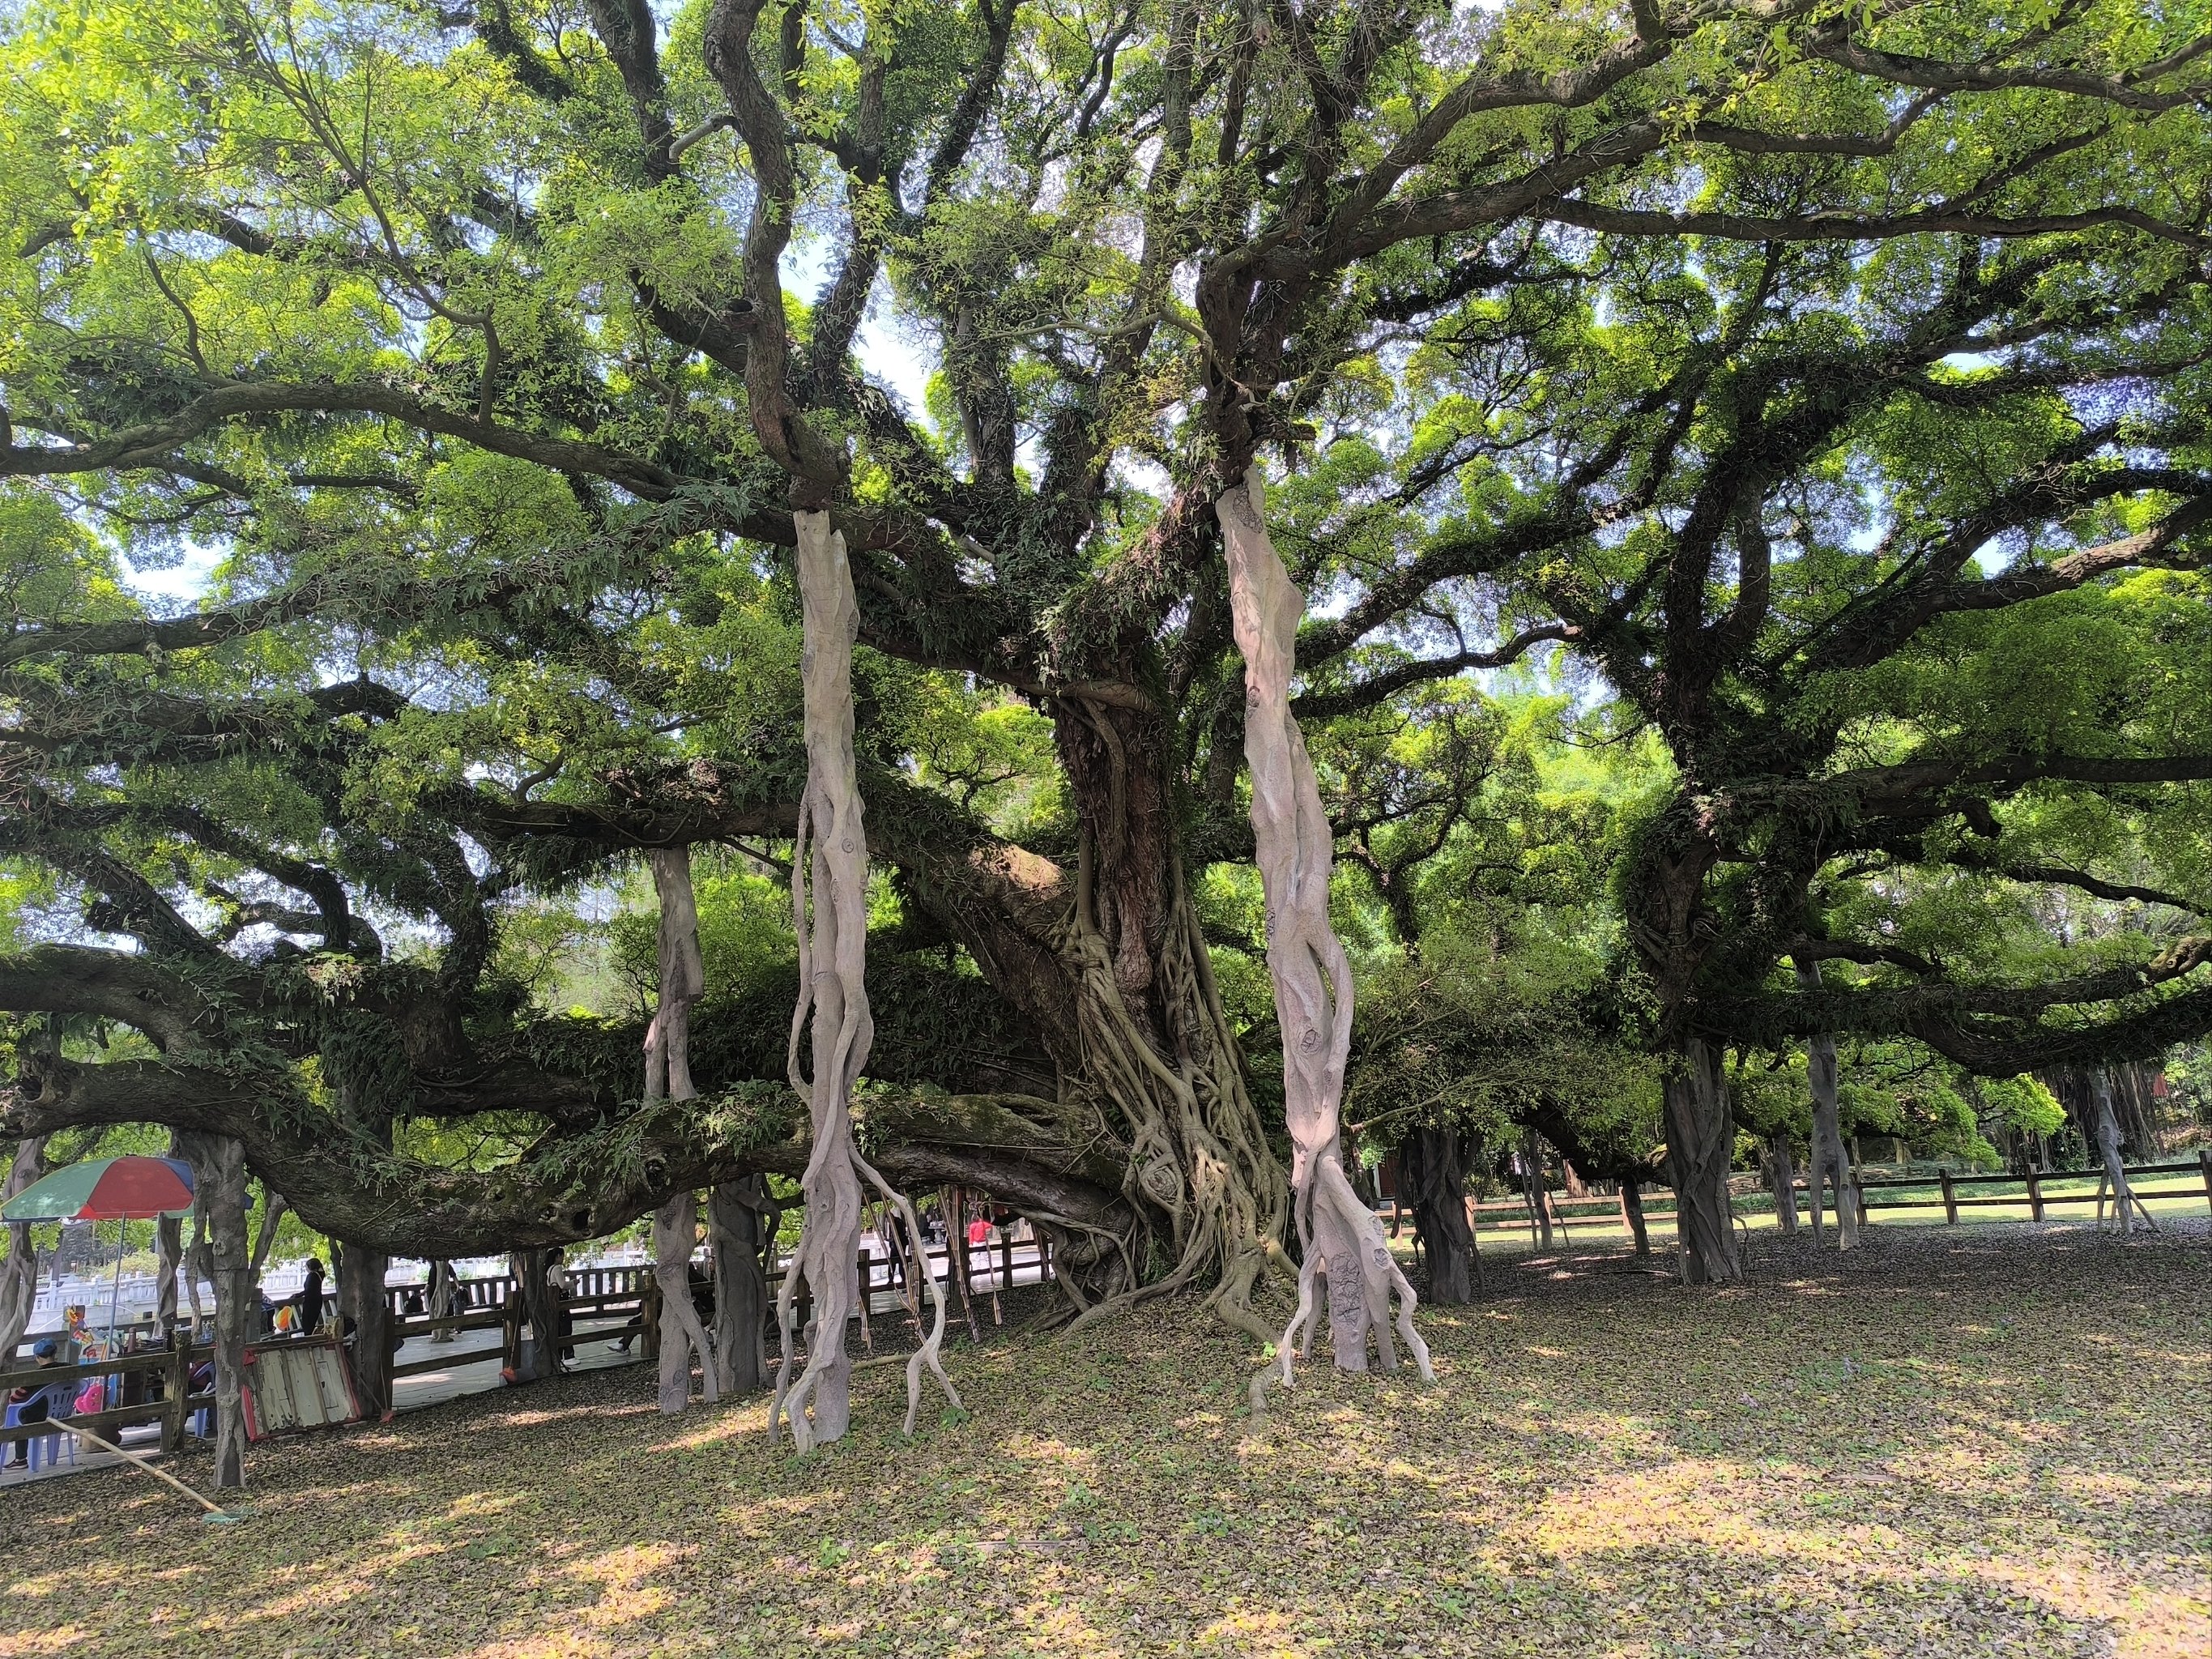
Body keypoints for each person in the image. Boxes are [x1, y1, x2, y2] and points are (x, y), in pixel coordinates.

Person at [2, 1340, 66, 1469]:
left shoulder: (35, 1377)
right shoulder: (68, 1368)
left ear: (37, 1357)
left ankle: (20, 1459)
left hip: (38, 1416)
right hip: (62, 1413)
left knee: (19, 1418)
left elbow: (14, 1399)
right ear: (55, 1353)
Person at [298, 1256, 326, 1336]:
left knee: (307, 1324)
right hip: (318, 1300)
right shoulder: (319, 1275)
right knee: (312, 1322)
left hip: (311, 1301)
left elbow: (309, 1290)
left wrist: (297, 1295)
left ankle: (308, 1339)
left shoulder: (312, 1275)